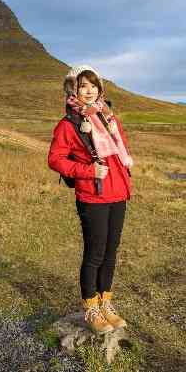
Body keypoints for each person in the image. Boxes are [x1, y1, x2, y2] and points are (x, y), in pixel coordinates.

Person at [48, 65, 133, 334]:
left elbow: (121, 149)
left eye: (93, 85)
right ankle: (91, 308)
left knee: (110, 252)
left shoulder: (108, 117)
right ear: (73, 88)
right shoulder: (69, 123)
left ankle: (106, 303)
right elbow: (55, 159)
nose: (89, 90)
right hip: (93, 195)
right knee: (95, 253)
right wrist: (88, 171)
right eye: (83, 86)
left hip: (118, 191)